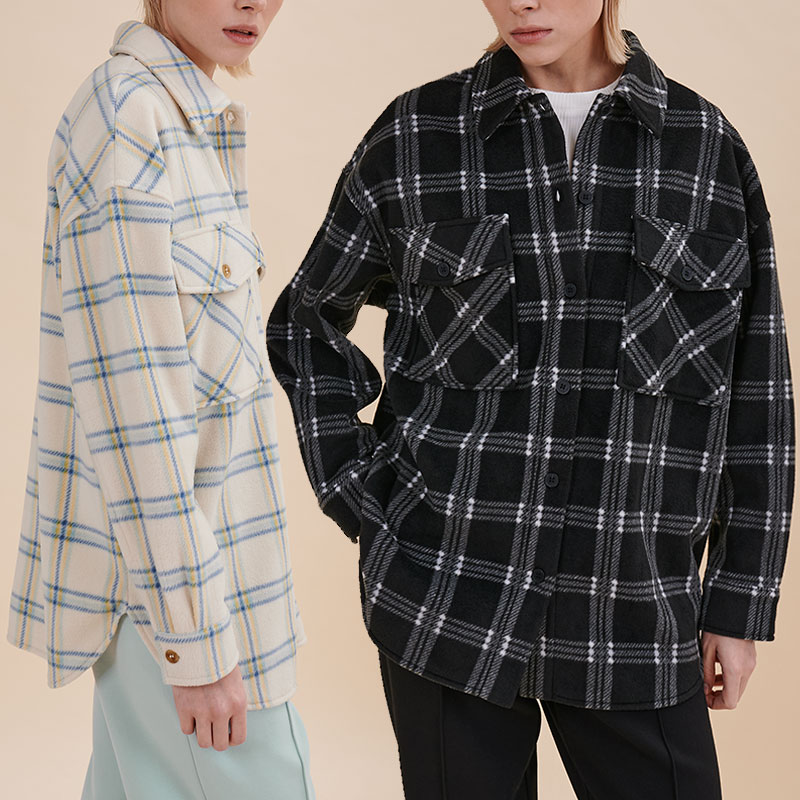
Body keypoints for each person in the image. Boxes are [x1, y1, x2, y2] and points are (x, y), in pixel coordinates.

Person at [266, 0, 795, 797]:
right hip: (444, 599)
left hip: (635, 609)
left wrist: (739, 600)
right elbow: (305, 323)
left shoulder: (705, 148)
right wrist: (365, 499)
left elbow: (759, 393)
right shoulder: (415, 136)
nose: (523, 2)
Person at [6, 1, 315, 798]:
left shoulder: (187, 122)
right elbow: (134, 415)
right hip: (179, 613)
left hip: (194, 596)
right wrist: (195, 644)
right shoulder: (129, 121)